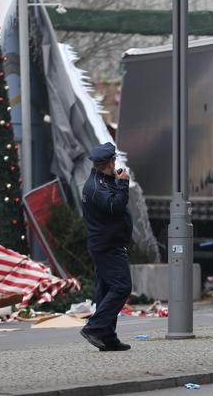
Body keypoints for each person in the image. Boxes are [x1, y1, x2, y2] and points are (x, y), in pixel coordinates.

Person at [79, 142, 133, 351]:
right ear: (109, 163)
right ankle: (94, 327)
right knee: (122, 287)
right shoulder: (96, 188)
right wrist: (123, 184)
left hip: (107, 244)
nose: (116, 164)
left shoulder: (101, 181)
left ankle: (107, 337)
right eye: (114, 161)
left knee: (106, 291)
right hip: (107, 247)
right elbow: (115, 206)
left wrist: (117, 181)